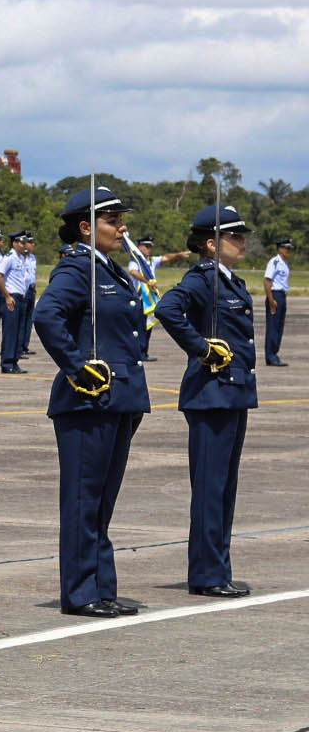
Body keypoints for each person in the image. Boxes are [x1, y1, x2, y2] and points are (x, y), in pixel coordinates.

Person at [34, 186, 149, 618]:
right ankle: (81, 592)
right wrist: (77, 367)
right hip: (87, 401)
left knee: (101, 502)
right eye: (112, 220)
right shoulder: (77, 268)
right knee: (84, 500)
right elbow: (47, 315)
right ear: (86, 227)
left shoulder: (111, 270)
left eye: (121, 219)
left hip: (117, 399)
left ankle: (101, 587)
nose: (122, 227)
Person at [153, 204, 258, 598]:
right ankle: (207, 573)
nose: (241, 242)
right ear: (211, 244)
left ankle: (217, 568)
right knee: (211, 489)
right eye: (234, 236)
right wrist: (201, 348)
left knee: (224, 488)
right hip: (211, 395)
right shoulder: (203, 279)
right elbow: (167, 309)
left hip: (231, 394)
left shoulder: (229, 281)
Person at [0, 231, 37, 373]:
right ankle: (7, 363)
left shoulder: (20, 258)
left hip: (21, 297)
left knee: (19, 331)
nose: (23, 245)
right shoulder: (10, 258)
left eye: (25, 242)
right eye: (21, 242)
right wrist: (6, 296)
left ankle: (13, 361)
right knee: (11, 332)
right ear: (14, 243)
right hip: (12, 297)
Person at [264, 239, 292, 366]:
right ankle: (270, 356)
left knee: (279, 327)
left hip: (281, 295)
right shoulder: (274, 262)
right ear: (280, 248)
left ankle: (274, 354)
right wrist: (271, 300)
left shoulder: (284, 263)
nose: (288, 251)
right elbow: (267, 281)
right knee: (273, 327)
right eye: (286, 248)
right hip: (274, 295)